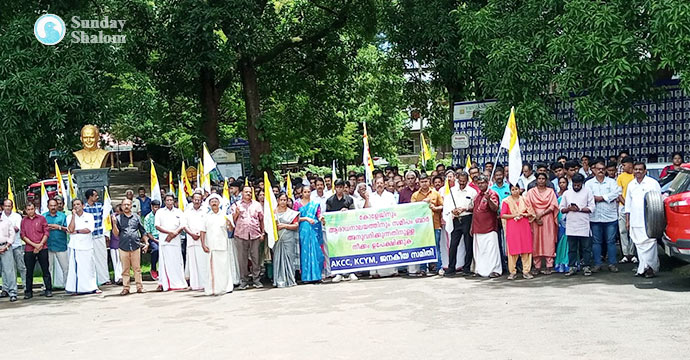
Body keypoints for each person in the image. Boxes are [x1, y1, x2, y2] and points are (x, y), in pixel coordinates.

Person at [625, 162, 661, 278]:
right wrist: (627, 220)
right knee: (639, 244)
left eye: (640, 169)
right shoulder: (631, 185)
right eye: (636, 169)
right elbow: (628, 205)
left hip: (650, 220)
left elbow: (659, 202)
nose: (638, 171)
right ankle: (642, 268)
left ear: (645, 171)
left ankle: (651, 268)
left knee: (650, 243)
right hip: (635, 220)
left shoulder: (652, 183)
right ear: (633, 171)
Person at [585, 160, 621, 273]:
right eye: (598, 168)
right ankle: (597, 264)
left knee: (611, 241)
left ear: (605, 170)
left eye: (602, 169)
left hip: (610, 217)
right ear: (594, 170)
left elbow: (616, 193)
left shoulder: (612, 182)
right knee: (596, 242)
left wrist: (601, 198)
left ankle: (612, 263)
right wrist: (606, 198)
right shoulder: (589, 183)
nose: (600, 170)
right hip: (595, 217)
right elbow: (588, 196)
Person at [200, 194, 239, 295]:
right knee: (212, 269)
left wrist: (230, 223)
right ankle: (213, 289)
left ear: (219, 203)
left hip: (223, 245)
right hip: (211, 246)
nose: (214, 203)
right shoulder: (206, 217)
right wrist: (203, 244)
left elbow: (230, 229)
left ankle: (225, 287)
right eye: (212, 201)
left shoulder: (224, 215)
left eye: (216, 201)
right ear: (209, 204)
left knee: (223, 268)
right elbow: (203, 231)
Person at [111, 198, 149, 295]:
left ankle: (139, 287)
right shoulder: (118, 218)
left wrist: (146, 243)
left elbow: (142, 231)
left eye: (128, 205)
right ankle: (126, 287)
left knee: (137, 268)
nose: (126, 207)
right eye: (124, 205)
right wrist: (114, 224)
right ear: (121, 206)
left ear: (131, 206)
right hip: (123, 246)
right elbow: (116, 234)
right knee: (125, 269)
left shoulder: (136, 217)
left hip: (135, 246)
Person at [560, 174, 595, 276]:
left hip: (584, 224)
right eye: (574, 185)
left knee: (586, 248)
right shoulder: (567, 193)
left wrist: (579, 209)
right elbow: (561, 209)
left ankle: (586, 266)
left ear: (582, 184)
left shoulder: (588, 192)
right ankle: (572, 267)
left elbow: (592, 208)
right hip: (571, 224)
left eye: (578, 185)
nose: (576, 187)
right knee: (572, 248)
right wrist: (569, 209)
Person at [525, 173, 559, 275]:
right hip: (534, 219)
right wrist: (535, 216)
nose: (541, 180)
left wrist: (541, 214)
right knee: (536, 241)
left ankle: (549, 265)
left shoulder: (550, 192)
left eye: (543, 178)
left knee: (548, 240)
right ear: (536, 180)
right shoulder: (531, 192)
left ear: (546, 180)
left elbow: (553, 205)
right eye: (539, 178)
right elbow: (528, 205)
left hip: (547, 218)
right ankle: (537, 266)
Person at [443, 172, 476, 276]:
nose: (462, 184)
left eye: (464, 182)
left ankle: (466, 268)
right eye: (460, 181)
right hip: (456, 219)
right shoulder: (452, 191)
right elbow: (447, 205)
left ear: (467, 180)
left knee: (468, 244)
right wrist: (453, 211)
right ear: (457, 180)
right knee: (453, 245)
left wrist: (465, 209)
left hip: (467, 218)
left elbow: (475, 207)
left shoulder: (472, 191)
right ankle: (451, 267)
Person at [410, 174, 443, 275]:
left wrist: (434, 207)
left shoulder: (435, 194)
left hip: (435, 224)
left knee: (436, 247)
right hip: (421, 227)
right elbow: (412, 209)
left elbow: (442, 206)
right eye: (422, 181)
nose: (424, 183)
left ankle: (439, 268)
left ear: (429, 181)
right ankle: (423, 268)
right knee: (423, 247)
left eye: (426, 181)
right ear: (419, 182)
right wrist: (421, 204)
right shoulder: (415, 195)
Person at [232, 186, 265, 289]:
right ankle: (244, 281)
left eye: (250, 192)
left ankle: (256, 280)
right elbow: (232, 221)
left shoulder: (257, 205)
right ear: (242, 193)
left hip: (255, 234)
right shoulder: (236, 205)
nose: (248, 194)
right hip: (241, 235)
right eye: (246, 192)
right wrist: (237, 213)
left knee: (256, 258)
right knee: (242, 259)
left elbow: (261, 220)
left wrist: (262, 233)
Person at [500, 184, 535, 280]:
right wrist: (514, 215)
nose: (515, 191)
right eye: (513, 189)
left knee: (526, 249)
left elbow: (531, 213)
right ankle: (512, 272)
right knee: (513, 250)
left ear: (520, 190)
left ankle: (526, 271)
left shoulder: (525, 199)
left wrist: (523, 214)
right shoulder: (506, 201)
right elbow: (503, 215)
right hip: (512, 227)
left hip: (524, 226)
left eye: (516, 189)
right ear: (510, 190)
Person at [66, 199, 100, 295]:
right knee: (75, 269)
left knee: (89, 267)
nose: (76, 206)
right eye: (74, 205)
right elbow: (70, 229)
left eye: (78, 204)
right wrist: (73, 216)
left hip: (87, 245)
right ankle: (75, 288)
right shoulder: (69, 217)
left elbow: (89, 229)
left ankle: (92, 287)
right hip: (75, 246)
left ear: (83, 206)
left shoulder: (89, 216)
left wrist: (77, 231)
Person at [154, 194, 187, 291]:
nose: (169, 202)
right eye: (167, 200)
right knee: (165, 262)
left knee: (177, 261)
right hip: (165, 240)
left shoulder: (178, 211)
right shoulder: (160, 212)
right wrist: (169, 233)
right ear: (164, 201)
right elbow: (157, 226)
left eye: (171, 200)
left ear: (174, 201)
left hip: (176, 240)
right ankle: (164, 283)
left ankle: (178, 282)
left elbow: (183, 225)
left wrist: (174, 233)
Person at [325, 180, 356, 282]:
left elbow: (354, 214)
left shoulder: (349, 200)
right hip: (335, 230)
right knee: (337, 251)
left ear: (343, 188)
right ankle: (338, 273)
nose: (339, 189)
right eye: (337, 187)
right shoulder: (330, 200)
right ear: (335, 188)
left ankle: (351, 272)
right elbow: (328, 216)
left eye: (341, 187)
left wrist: (347, 212)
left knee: (349, 249)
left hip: (347, 229)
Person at [471, 175, 502, 278]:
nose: (480, 185)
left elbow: (495, 208)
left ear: (487, 183)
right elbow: (475, 212)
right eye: (478, 183)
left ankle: (494, 270)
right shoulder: (477, 196)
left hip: (489, 228)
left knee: (491, 251)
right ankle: (480, 270)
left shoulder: (492, 194)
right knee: (480, 251)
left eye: (482, 183)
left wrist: (489, 199)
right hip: (477, 227)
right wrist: (472, 227)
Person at [368, 177, 398, 277]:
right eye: (377, 183)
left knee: (390, 247)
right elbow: (366, 211)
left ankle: (392, 270)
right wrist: (367, 199)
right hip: (375, 227)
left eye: (381, 183)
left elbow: (394, 210)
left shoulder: (390, 196)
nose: (379, 185)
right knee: (376, 248)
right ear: (374, 185)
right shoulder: (371, 196)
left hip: (388, 227)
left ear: (384, 184)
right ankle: (375, 272)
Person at [20, 202, 51, 299]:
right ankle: (28, 291)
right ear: (25, 210)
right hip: (29, 248)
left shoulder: (41, 219)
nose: (30, 211)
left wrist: (40, 244)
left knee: (45, 270)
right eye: (28, 209)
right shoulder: (24, 221)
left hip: (42, 247)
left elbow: (46, 232)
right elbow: (23, 235)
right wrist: (35, 245)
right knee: (29, 271)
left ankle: (48, 289)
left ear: (35, 209)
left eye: (32, 209)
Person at [294, 186, 324, 283]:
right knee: (305, 252)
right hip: (303, 231)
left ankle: (317, 275)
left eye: (309, 191)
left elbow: (318, 215)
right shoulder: (297, 204)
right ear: (302, 193)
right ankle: (306, 277)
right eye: (305, 192)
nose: (307, 193)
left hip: (314, 230)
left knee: (316, 252)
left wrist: (321, 219)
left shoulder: (315, 204)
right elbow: (295, 218)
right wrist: (306, 219)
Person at [273, 193, 300, 288]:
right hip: (278, 240)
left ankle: (290, 279)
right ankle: (279, 281)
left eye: (285, 200)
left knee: (289, 258)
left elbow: (296, 225)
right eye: (281, 200)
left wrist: (284, 226)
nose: (283, 202)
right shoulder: (273, 213)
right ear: (278, 200)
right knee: (278, 259)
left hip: (289, 238)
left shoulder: (292, 213)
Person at [83, 189, 109, 285]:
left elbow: (105, 220)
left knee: (102, 257)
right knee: (88, 259)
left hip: (99, 235)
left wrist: (106, 235)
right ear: (90, 197)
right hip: (87, 237)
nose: (97, 197)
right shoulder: (84, 208)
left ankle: (104, 279)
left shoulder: (100, 206)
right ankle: (90, 280)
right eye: (95, 195)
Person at [184, 192, 209, 291]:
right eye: (195, 199)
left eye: (199, 199)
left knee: (203, 262)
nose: (197, 201)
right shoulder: (187, 210)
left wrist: (199, 233)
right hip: (191, 239)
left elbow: (207, 224)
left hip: (202, 239)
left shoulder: (205, 210)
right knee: (193, 263)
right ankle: (195, 285)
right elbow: (184, 224)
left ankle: (205, 283)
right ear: (192, 199)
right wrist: (192, 234)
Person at [1, 199, 26, 294]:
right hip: (4, 246)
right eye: (5, 206)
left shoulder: (16, 216)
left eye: (9, 206)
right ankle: (5, 288)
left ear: (12, 206)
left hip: (16, 245)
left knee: (21, 267)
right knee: (6, 268)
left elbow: (16, 229)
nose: (7, 207)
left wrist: (8, 229)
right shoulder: (1, 216)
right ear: (3, 206)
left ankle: (25, 286)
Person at [44, 198, 69, 288]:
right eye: (51, 205)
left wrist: (58, 227)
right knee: (47, 268)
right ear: (48, 206)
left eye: (55, 205)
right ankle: (47, 287)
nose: (53, 207)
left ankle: (67, 285)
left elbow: (68, 229)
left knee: (65, 268)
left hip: (60, 244)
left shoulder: (63, 216)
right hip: (47, 245)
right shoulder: (43, 217)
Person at [616, 157, 637, 263]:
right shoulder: (620, 177)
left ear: (630, 164)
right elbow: (618, 194)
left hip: (635, 206)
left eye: (624, 165)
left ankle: (632, 253)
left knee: (633, 230)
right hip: (623, 205)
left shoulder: (636, 176)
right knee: (623, 230)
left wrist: (631, 205)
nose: (623, 167)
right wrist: (626, 204)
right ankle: (625, 254)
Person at [0, 210, 18, 301]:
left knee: (9, 271)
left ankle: (12, 293)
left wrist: (6, 246)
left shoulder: (7, 221)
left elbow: (12, 235)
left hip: (5, 247)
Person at [554, 177, 570, 273]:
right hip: (559, 220)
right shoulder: (556, 194)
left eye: (564, 182)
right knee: (560, 242)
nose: (562, 184)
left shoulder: (570, 193)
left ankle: (568, 262)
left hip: (569, 220)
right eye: (560, 182)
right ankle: (559, 262)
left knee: (569, 242)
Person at [144, 199, 161, 280]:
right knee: (156, 250)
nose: (156, 209)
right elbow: (148, 233)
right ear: (151, 207)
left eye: (158, 207)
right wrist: (156, 240)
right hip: (153, 238)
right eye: (155, 207)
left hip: (163, 236)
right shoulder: (148, 218)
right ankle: (153, 269)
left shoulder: (162, 215)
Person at [109, 204, 124, 285]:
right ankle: (117, 278)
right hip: (114, 243)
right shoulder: (112, 218)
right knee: (116, 261)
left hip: (123, 243)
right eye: (116, 212)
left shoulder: (124, 218)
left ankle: (122, 276)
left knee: (122, 261)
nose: (118, 214)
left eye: (119, 212)